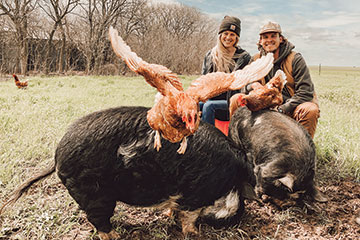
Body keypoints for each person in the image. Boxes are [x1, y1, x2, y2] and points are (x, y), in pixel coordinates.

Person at [248, 21, 319, 138]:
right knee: (236, 99)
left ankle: (304, 149)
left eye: (273, 36)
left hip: (290, 107)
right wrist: (252, 85)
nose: (269, 40)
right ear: (260, 41)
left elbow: (305, 92)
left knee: (310, 110)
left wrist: (282, 109)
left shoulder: (295, 59)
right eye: (265, 37)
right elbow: (244, 85)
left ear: (280, 39)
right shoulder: (255, 59)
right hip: (263, 107)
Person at [200, 15, 251, 125]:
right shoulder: (210, 55)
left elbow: (245, 85)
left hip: (232, 102)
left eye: (232, 34)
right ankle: (194, 140)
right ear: (220, 35)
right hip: (211, 98)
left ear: (237, 38)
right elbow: (203, 80)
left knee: (209, 106)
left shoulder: (243, 56)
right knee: (195, 105)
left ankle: (210, 141)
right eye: (226, 33)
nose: (228, 37)